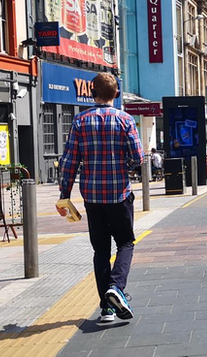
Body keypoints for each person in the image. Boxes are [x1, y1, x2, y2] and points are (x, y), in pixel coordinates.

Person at [58, 73, 143, 323]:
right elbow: (138, 158)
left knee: (100, 251)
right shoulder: (125, 120)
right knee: (126, 242)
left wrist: (65, 194)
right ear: (116, 94)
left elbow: (69, 161)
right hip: (119, 195)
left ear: (92, 92)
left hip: (92, 197)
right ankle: (116, 288)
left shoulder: (80, 121)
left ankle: (106, 309)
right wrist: (125, 162)